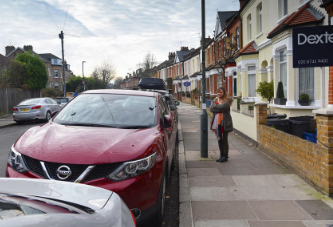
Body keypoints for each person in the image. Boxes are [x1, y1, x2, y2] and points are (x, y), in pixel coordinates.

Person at [210, 87, 233, 162]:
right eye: (218, 92)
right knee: (219, 139)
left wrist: (215, 106)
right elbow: (211, 109)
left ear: (224, 93)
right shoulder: (215, 99)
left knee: (224, 139)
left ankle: (225, 156)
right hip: (216, 122)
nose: (219, 94)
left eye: (221, 92)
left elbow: (224, 106)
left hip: (225, 122)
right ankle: (221, 155)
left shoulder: (227, 100)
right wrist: (219, 109)